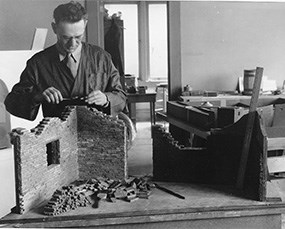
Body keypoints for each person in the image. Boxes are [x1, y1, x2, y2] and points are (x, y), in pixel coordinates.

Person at [4, 1, 126, 120]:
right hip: (57, 137)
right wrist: (37, 96)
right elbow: (12, 102)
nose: (72, 44)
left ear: (85, 25)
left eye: (78, 37)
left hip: (97, 134)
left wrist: (106, 99)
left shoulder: (102, 57)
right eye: (66, 37)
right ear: (54, 28)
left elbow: (121, 97)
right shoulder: (38, 63)